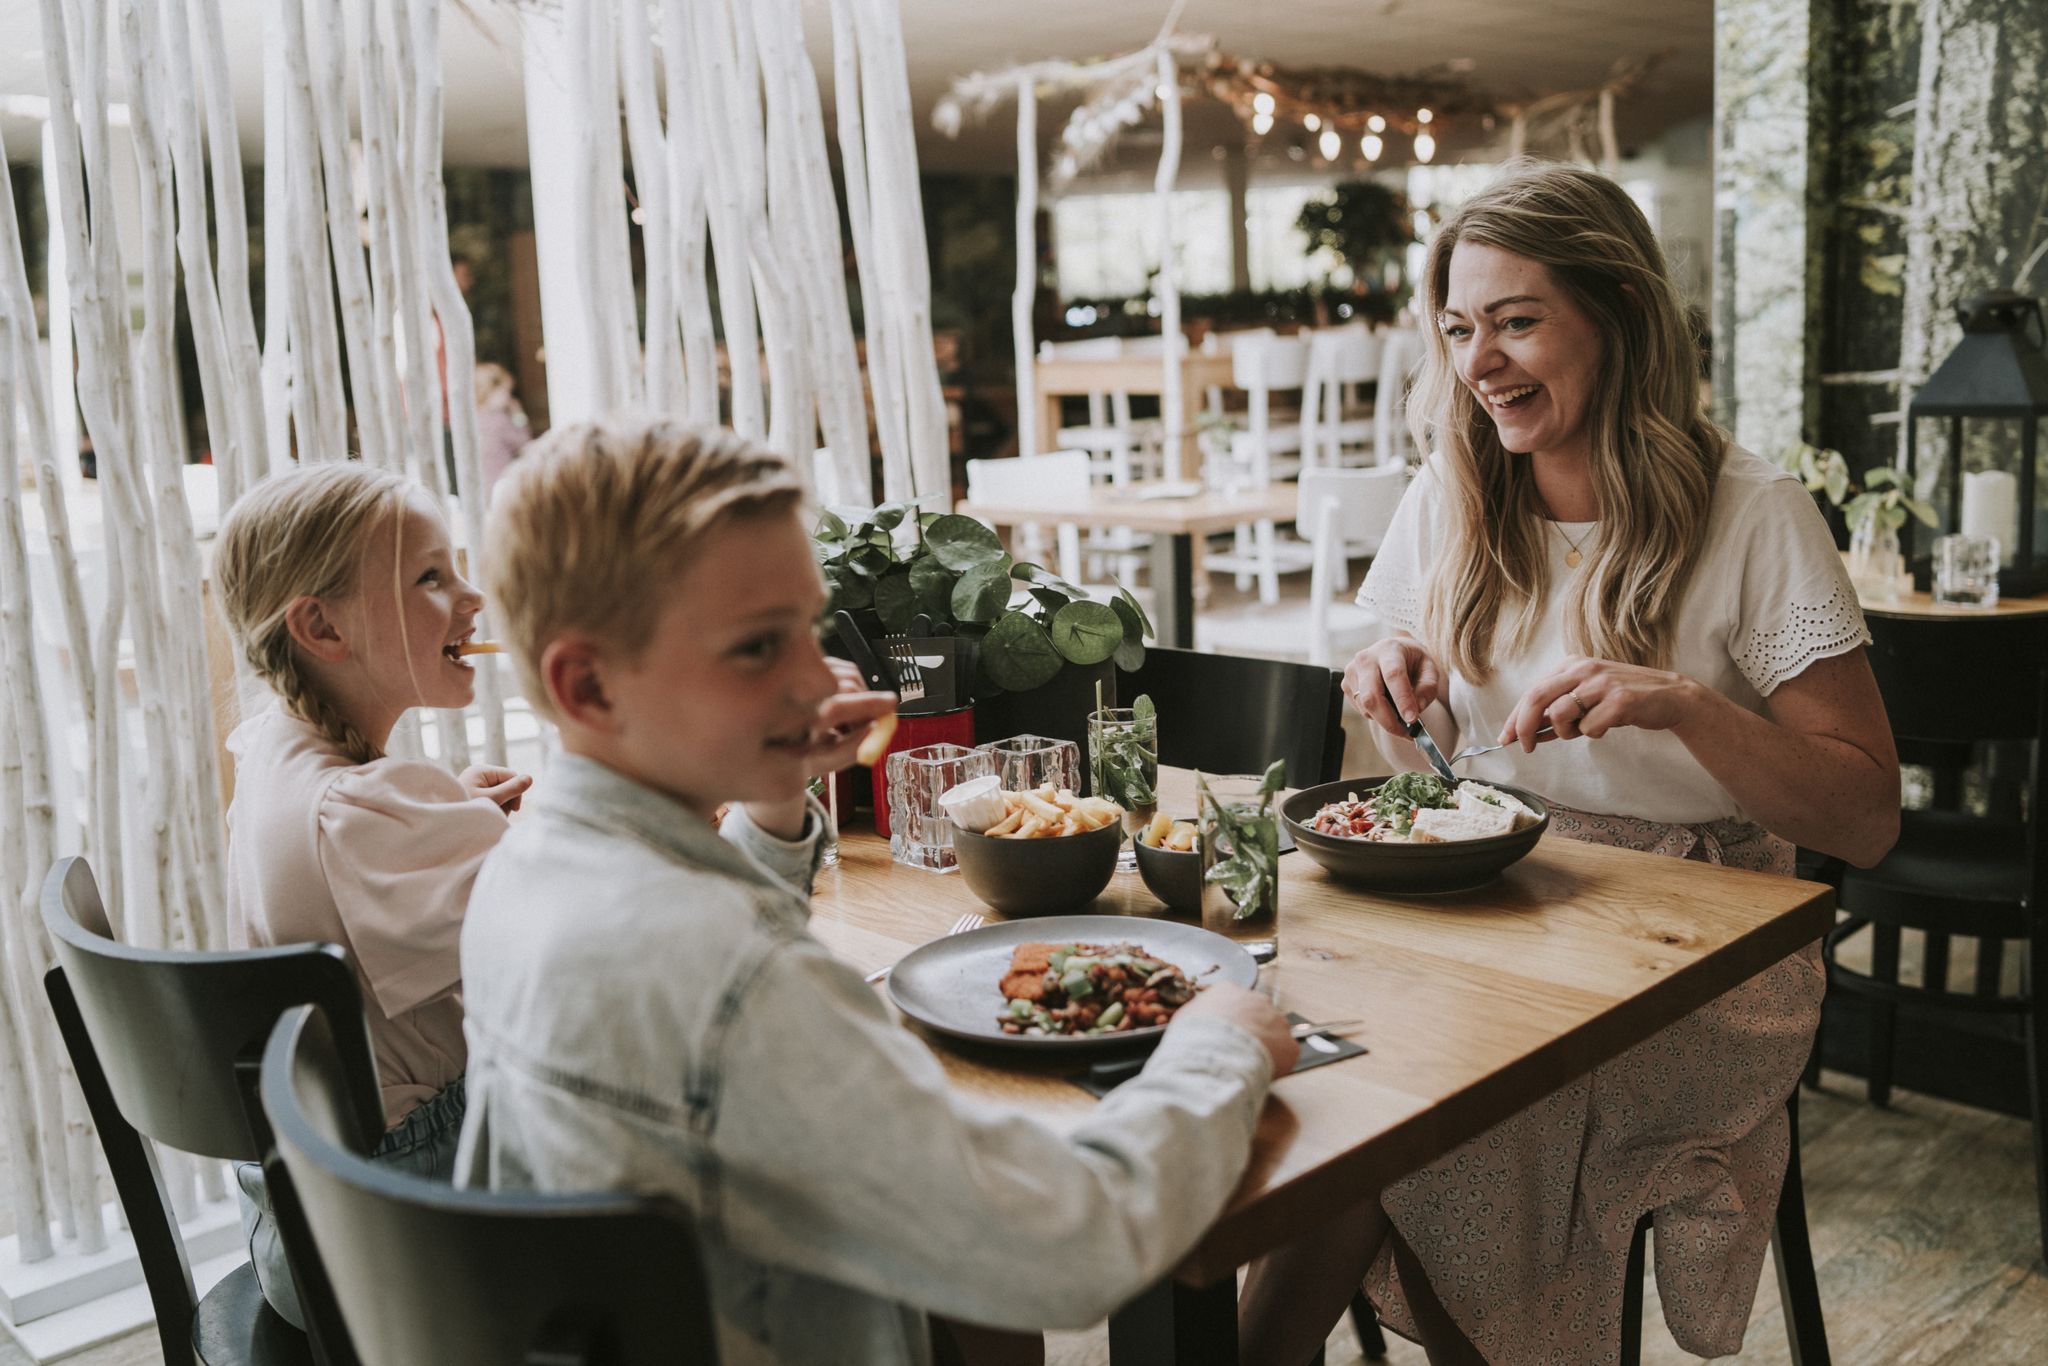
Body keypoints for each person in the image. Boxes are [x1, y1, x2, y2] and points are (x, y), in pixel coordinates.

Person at [454, 417, 1299, 1366]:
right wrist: (1217, 1049)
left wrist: (775, 796)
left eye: (807, 633)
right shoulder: (731, 982)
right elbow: (1070, 1246)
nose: (823, 682)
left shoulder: (519, 874)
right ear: (590, 687)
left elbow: (711, 948)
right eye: (757, 649)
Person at [1238, 161, 1900, 1364]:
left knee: (1449, 1118)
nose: (1476, 362)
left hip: (1704, 946)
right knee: (1317, 1088)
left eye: (1514, 321)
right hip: (1487, 906)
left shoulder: (1754, 514)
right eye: (1455, 329)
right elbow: (1430, 766)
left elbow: (1864, 817)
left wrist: (1686, 707)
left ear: (1619, 319)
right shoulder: (1449, 493)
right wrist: (1388, 685)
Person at [214, 462, 532, 1327]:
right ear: (320, 626)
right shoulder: (369, 816)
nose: (471, 599)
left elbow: (358, 866)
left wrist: (446, 816)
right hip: (400, 1228)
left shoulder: (279, 753)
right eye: (431, 577)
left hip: (300, 1215)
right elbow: (581, 932)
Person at [473, 361, 530, 496]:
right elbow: (524, 444)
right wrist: (518, 414)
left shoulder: (475, 419)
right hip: (501, 483)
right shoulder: (499, 420)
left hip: (481, 486)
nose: (509, 397)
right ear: (490, 391)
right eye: (506, 391)